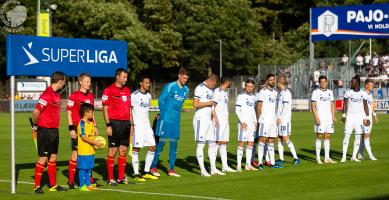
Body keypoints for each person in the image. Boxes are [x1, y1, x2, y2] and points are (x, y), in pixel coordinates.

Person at [32, 71, 67, 193]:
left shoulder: (57, 95)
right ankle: (37, 186)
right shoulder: (47, 94)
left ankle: (52, 185)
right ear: (60, 81)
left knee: (53, 157)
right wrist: (35, 125)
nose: (65, 84)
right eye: (64, 81)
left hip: (54, 131)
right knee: (43, 158)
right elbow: (36, 112)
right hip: (45, 131)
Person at [150, 67, 190, 177]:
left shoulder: (186, 90)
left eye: (187, 78)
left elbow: (179, 105)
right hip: (165, 119)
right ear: (179, 75)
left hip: (176, 121)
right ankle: (153, 167)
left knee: (174, 144)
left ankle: (171, 170)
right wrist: (162, 114)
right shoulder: (170, 86)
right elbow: (161, 100)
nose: (185, 80)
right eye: (184, 78)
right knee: (161, 143)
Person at [66, 73, 101, 189]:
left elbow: (92, 113)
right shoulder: (74, 96)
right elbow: (69, 112)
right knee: (75, 154)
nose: (89, 84)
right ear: (80, 82)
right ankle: (71, 181)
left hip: (89, 129)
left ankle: (89, 181)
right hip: (78, 129)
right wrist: (71, 128)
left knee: (90, 154)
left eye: (90, 82)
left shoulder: (91, 96)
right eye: (87, 82)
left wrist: (95, 126)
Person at [102, 68, 133, 185]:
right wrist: (108, 125)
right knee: (113, 150)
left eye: (126, 77)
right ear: (117, 77)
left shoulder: (127, 90)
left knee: (124, 150)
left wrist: (132, 124)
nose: (126, 79)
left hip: (126, 123)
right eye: (124, 77)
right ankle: (110, 178)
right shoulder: (108, 90)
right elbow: (104, 109)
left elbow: (129, 109)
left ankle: (121, 177)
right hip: (114, 123)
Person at [130, 76, 159, 181]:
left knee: (152, 146)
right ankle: (136, 173)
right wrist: (132, 125)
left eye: (149, 83)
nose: (148, 84)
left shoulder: (149, 96)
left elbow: (146, 110)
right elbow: (130, 111)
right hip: (138, 126)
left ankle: (146, 171)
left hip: (146, 126)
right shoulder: (134, 95)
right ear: (141, 83)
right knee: (136, 148)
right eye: (146, 82)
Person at [193, 74, 221, 176]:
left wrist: (215, 117)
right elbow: (195, 104)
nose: (213, 87)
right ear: (209, 81)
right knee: (201, 144)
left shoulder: (211, 90)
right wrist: (208, 103)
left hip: (209, 120)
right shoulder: (199, 88)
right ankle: (202, 170)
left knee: (212, 143)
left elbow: (211, 106)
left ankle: (213, 169)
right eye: (213, 85)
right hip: (200, 119)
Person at [341, 75, 370, 162]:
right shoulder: (348, 93)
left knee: (357, 137)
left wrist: (367, 117)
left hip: (359, 119)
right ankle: (343, 157)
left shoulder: (363, 94)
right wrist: (343, 115)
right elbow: (345, 104)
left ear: (357, 83)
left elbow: (365, 105)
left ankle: (354, 156)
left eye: (352, 82)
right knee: (346, 136)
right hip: (349, 118)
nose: (351, 83)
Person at [257, 74, 283, 169]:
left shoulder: (276, 92)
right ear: (267, 81)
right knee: (262, 140)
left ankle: (272, 163)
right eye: (271, 80)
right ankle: (260, 163)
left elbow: (275, 107)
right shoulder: (262, 91)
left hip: (273, 120)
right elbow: (259, 106)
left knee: (271, 140)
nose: (273, 81)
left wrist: (277, 118)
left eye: (273, 80)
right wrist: (260, 119)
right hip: (265, 120)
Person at [311, 75, 337, 164]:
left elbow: (332, 105)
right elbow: (313, 106)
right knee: (319, 136)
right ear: (319, 83)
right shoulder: (316, 92)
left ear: (327, 82)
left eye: (324, 82)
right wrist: (316, 117)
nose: (323, 83)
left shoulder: (330, 92)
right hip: (320, 118)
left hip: (329, 118)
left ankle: (327, 158)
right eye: (321, 82)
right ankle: (318, 158)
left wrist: (333, 116)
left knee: (328, 136)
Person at [77, 103, 103, 191]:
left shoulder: (90, 123)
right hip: (83, 151)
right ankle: (81, 185)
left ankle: (88, 184)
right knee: (83, 169)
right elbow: (83, 138)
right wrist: (95, 142)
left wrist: (94, 124)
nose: (93, 114)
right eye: (92, 112)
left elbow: (97, 133)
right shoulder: (81, 124)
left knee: (89, 168)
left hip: (91, 151)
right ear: (86, 113)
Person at [275, 75, 300, 165]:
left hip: (284, 120)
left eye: (277, 82)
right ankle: (281, 159)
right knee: (279, 138)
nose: (276, 84)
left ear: (279, 83)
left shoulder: (286, 93)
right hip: (278, 119)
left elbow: (285, 108)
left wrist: (280, 118)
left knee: (285, 138)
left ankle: (296, 158)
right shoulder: (280, 92)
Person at [213, 77, 236, 173]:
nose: (231, 83)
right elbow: (212, 106)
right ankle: (213, 168)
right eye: (230, 81)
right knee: (217, 143)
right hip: (219, 122)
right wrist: (216, 118)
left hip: (225, 121)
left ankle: (225, 166)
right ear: (227, 82)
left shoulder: (225, 92)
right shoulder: (217, 91)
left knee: (224, 143)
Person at [235, 79, 258, 172]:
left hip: (252, 124)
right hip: (243, 124)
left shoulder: (254, 97)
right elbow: (237, 110)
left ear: (253, 87)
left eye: (251, 86)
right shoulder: (241, 96)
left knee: (250, 143)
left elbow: (253, 110)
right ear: (245, 86)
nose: (249, 88)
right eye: (247, 86)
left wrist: (255, 122)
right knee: (241, 143)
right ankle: (239, 165)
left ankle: (248, 165)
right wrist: (242, 122)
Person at [358, 79, 378, 161]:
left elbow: (371, 106)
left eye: (372, 85)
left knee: (364, 136)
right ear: (366, 85)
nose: (372, 87)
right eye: (370, 85)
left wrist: (375, 115)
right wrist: (363, 117)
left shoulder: (371, 95)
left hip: (370, 118)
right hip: (364, 118)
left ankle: (360, 154)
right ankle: (370, 155)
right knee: (366, 136)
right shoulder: (362, 94)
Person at [252, 79, 268, 167]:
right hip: (258, 121)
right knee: (255, 141)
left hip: (264, 120)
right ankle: (252, 160)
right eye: (263, 86)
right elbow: (257, 109)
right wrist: (258, 120)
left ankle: (267, 159)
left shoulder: (264, 94)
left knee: (264, 140)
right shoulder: (257, 96)